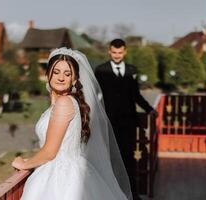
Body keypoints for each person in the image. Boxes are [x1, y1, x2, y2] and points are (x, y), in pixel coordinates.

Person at [12, 48, 133, 200]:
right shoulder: (67, 103)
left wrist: (24, 163)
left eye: (67, 74)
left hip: (59, 179)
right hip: (72, 171)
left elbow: (50, 152)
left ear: (74, 80)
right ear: (47, 74)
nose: (61, 77)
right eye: (56, 72)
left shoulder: (64, 103)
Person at [95, 39, 157, 198]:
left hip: (128, 123)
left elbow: (135, 95)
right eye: (114, 52)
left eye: (120, 52)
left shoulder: (131, 70)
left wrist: (149, 109)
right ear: (109, 51)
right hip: (109, 123)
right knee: (110, 160)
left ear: (125, 52)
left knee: (129, 161)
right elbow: (96, 96)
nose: (117, 55)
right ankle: (111, 194)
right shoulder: (101, 70)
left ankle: (132, 195)